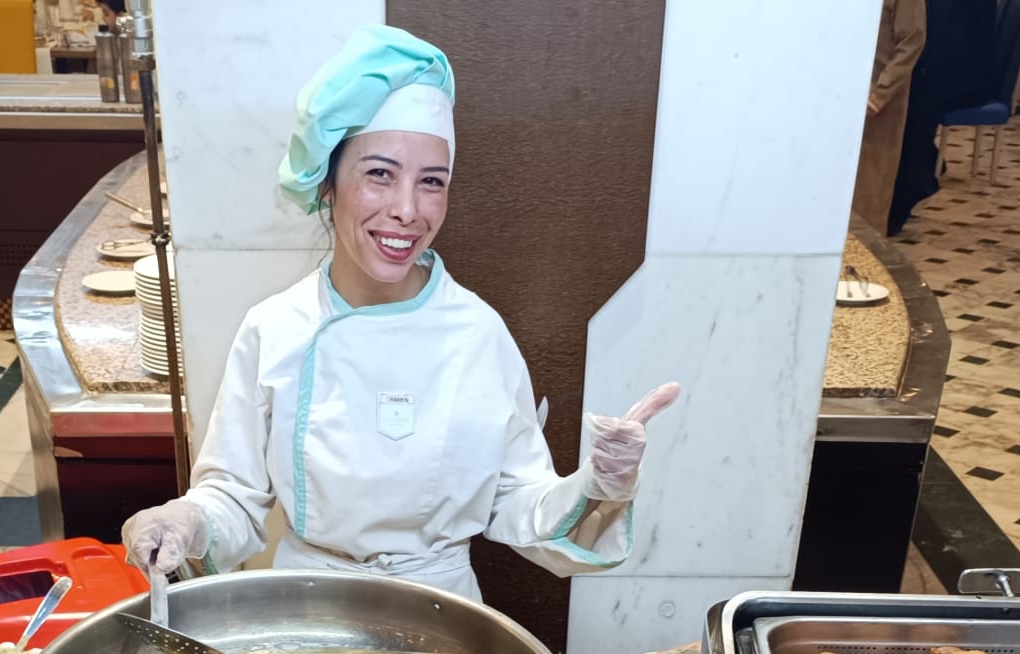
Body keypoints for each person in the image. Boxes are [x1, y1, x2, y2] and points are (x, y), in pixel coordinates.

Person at [118, 25, 680, 604]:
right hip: (312, 602)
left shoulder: (477, 332)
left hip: (444, 608)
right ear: (327, 183)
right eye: (379, 174)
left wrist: (598, 485)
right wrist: (183, 520)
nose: (407, 210)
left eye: (431, 182)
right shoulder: (276, 328)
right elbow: (233, 497)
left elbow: (518, 500)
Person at [889, 0, 998, 235]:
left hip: (963, 70)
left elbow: (942, 38)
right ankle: (922, 166)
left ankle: (901, 198)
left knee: (910, 98)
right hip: (941, 58)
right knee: (897, 89)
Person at [853, 0, 927, 232]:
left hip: (878, 107)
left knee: (868, 196)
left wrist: (880, 93)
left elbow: (912, 41)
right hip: (834, 100)